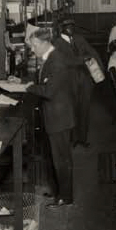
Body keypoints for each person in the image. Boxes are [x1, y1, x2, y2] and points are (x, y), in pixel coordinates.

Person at [25, 28, 77, 208]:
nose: (33, 50)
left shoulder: (57, 60)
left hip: (60, 118)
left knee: (62, 160)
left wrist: (29, 87)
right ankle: (58, 191)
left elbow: (49, 91)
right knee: (55, 157)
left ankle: (66, 197)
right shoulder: (50, 58)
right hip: (55, 115)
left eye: (34, 46)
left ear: (45, 43)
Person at [56, 18, 100, 149]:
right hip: (69, 82)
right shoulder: (57, 43)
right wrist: (83, 59)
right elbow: (64, 61)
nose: (70, 28)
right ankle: (73, 139)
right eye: (67, 25)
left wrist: (99, 71)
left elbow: (92, 53)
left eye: (72, 25)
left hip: (85, 79)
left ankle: (83, 138)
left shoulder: (79, 39)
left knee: (84, 109)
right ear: (61, 28)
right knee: (72, 110)